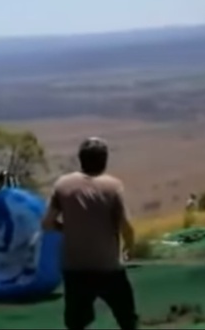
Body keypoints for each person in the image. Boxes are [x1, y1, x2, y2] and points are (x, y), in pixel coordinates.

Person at [42, 137, 138, 330]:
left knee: (76, 323)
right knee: (127, 318)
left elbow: (47, 224)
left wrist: (67, 229)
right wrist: (129, 247)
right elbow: (126, 226)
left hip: (74, 267)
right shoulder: (113, 187)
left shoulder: (62, 185)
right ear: (105, 160)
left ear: (81, 159)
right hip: (107, 266)